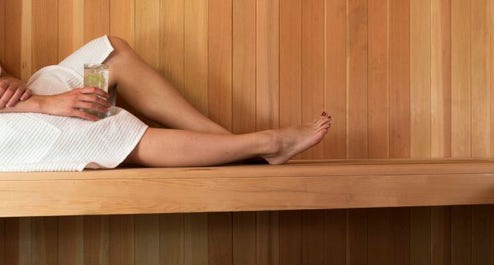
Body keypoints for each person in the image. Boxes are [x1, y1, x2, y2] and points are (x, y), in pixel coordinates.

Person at [0, 35, 331, 171]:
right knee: (85, 126)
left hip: (14, 107)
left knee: (110, 54)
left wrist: (10, 82)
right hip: (12, 131)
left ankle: (233, 148)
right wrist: (44, 104)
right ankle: (265, 142)